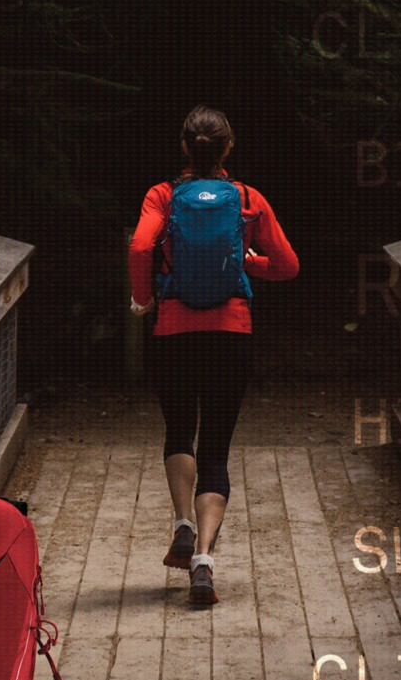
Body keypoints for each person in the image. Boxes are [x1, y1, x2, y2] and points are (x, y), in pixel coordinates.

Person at [128, 105, 300, 609]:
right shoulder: (247, 198)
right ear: (227, 149)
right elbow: (288, 266)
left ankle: (181, 523)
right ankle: (203, 560)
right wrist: (251, 264)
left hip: (174, 329)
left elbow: (141, 246)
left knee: (178, 430)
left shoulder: (163, 195)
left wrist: (143, 299)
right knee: (217, 451)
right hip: (231, 331)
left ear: (185, 148)